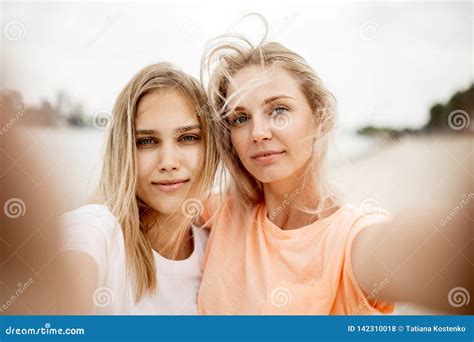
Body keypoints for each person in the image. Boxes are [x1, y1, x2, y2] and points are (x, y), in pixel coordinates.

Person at [197, 33, 472, 315]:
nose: (258, 133)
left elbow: (425, 252)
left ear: (317, 117)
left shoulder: (348, 240)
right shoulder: (222, 211)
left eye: (278, 110)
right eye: (241, 118)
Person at [58, 62, 219, 314]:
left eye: (187, 137)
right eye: (146, 141)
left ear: (212, 146)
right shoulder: (98, 232)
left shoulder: (215, 248)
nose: (168, 162)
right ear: (123, 151)